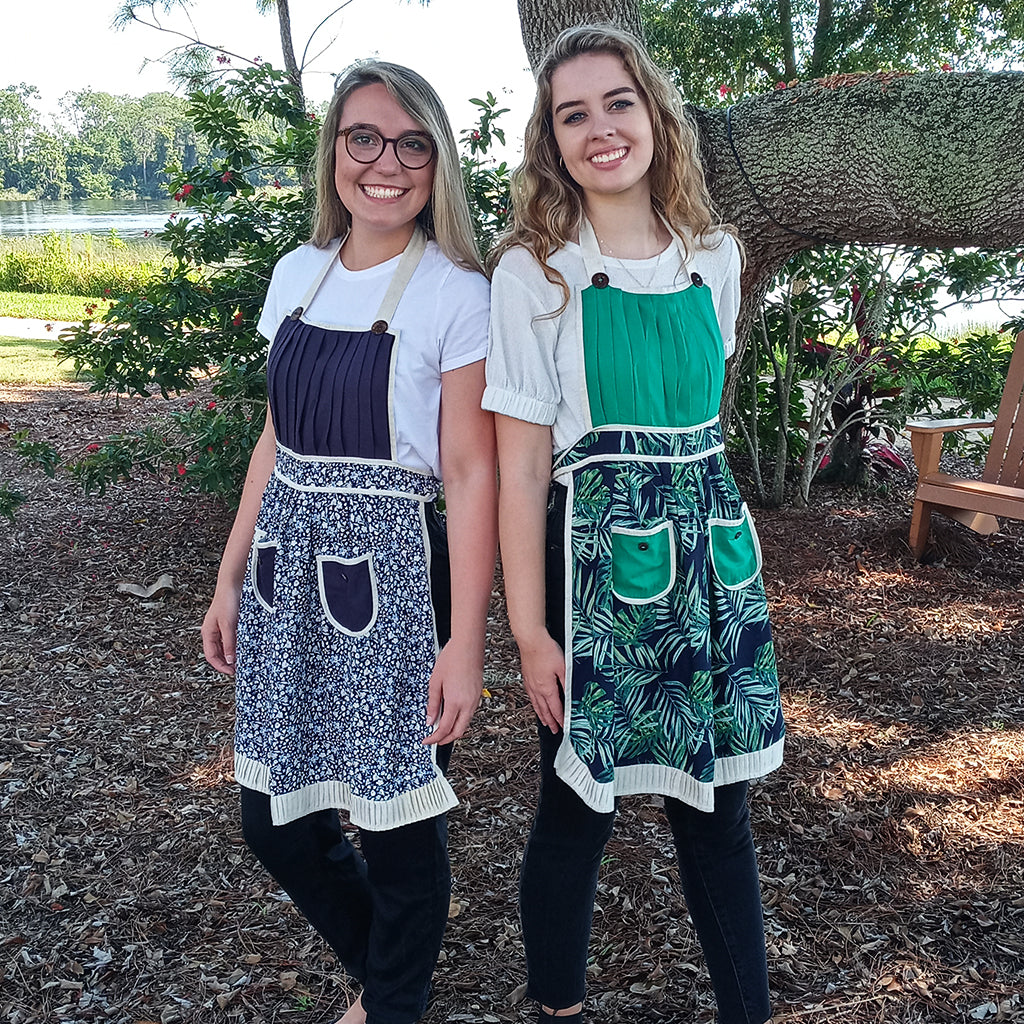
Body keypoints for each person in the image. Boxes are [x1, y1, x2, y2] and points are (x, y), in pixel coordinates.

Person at [484, 25, 784, 1024]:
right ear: (552, 140)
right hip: (592, 566)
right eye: (573, 114)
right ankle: (557, 1009)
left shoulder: (716, 256)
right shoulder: (536, 273)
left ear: (653, 114)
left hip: (708, 559)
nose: (599, 128)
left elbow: (703, 426)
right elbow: (522, 470)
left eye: (616, 103)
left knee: (717, 812)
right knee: (578, 807)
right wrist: (529, 633)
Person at [201, 61, 497, 1024]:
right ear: (333, 148)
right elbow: (277, 435)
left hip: (401, 575)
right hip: (290, 576)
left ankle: (394, 1004)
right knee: (276, 816)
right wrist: (230, 569)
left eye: (412, 144)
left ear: (437, 163)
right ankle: (388, 980)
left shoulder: (457, 293)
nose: (386, 163)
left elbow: (469, 474)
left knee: (401, 825)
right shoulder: (299, 271)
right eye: (363, 137)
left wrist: (466, 644)